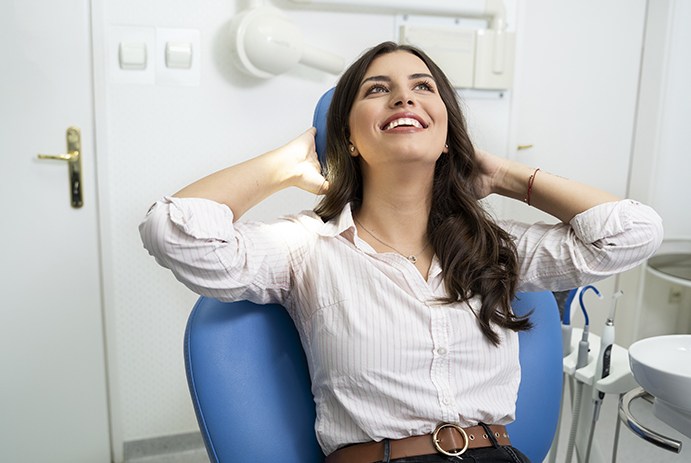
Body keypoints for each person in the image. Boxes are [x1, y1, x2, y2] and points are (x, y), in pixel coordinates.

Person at [139, 41, 663, 463]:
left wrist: (503, 175)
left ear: (445, 136)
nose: (403, 98)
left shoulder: (496, 247)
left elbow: (632, 233)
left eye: (422, 87)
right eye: (377, 89)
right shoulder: (305, 246)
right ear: (347, 138)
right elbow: (175, 232)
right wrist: (286, 164)